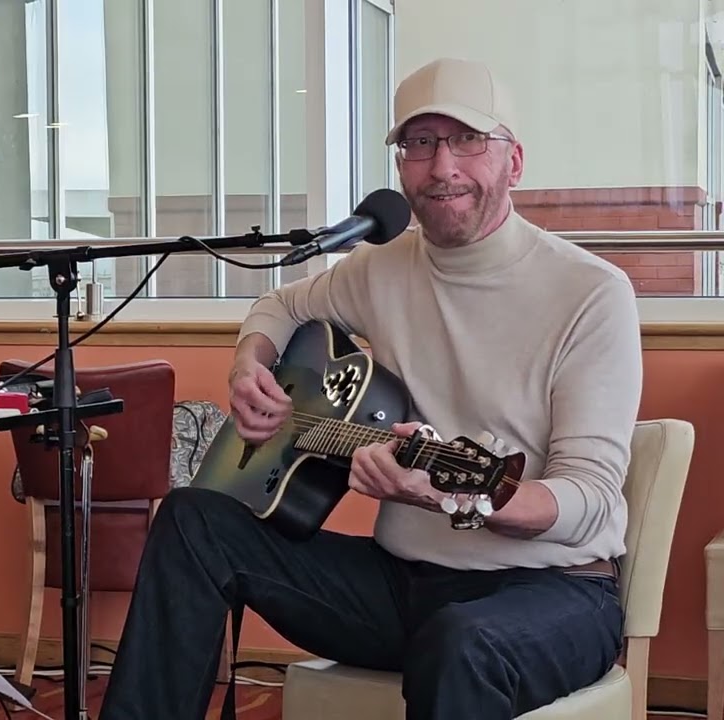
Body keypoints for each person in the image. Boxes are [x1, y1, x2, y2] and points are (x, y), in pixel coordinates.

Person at [98, 57, 641, 720]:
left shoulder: (590, 294)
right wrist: (249, 370)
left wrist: (452, 498)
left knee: (462, 641)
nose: (442, 168)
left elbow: (586, 498)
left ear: (514, 161)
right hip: (400, 585)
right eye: (419, 144)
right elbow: (278, 306)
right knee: (192, 519)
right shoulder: (381, 268)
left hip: (553, 592)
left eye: (468, 140)